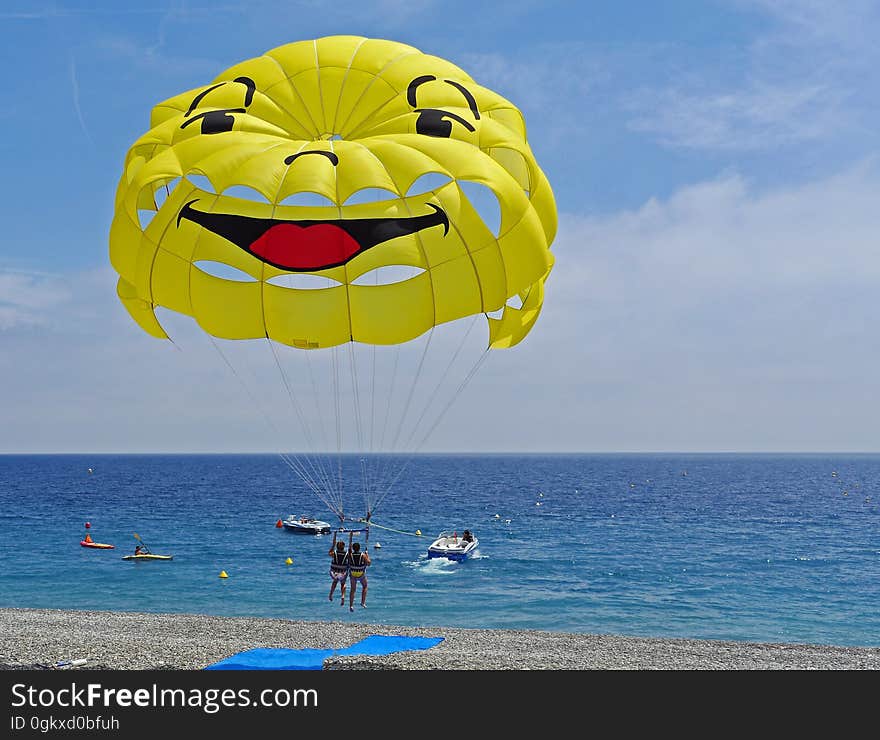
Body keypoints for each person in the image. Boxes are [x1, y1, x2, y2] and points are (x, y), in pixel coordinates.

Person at [347, 542, 371, 612]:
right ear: (359, 548)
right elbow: (369, 563)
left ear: (353, 548)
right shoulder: (363, 555)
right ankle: (363, 602)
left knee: (353, 590)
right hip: (360, 574)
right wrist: (367, 555)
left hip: (353, 574)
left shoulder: (350, 555)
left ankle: (351, 605)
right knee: (365, 586)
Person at [328, 540, 348, 604]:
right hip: (342, 573)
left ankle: (331, 594)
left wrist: (333, 546)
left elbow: (329, 553)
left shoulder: (334, 553)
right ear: (343, 547)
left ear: (337, 547)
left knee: (335, 581)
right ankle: (343, 595)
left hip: (333, 573)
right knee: (343, 583)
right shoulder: (346, 554)